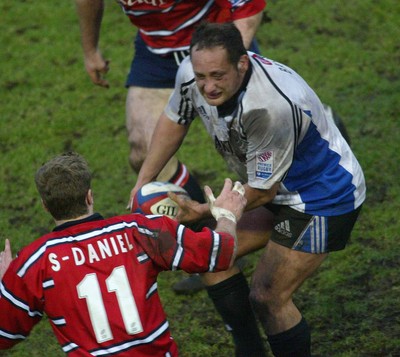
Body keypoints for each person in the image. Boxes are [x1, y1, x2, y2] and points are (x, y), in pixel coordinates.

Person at [131, 22, 366, 357]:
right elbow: (175, 120)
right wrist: (144, 179)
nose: (208, 87)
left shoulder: (269, 107)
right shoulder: (192, 71)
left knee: (268, 296)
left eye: (217, 76)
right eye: (201, 77)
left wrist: (203, 212)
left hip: (321, 197)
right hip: (270, 187)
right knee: (211, 256)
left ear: (242, 63)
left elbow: (262, 192)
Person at [0, 152, 247, 356]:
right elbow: (221, 252)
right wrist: (227, 215)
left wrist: (7, 285)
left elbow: (5, 335)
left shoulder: (34, 264)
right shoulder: (141, 231)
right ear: (89, 196)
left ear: (45, 205)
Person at [74, 0, 266, 205]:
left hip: (214, 48)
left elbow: (247, 5)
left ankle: (280, 211)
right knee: (143, 152)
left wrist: (228, 65)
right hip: (157, 55)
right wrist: (90, 50)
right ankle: (198, 223)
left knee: (254, 153)